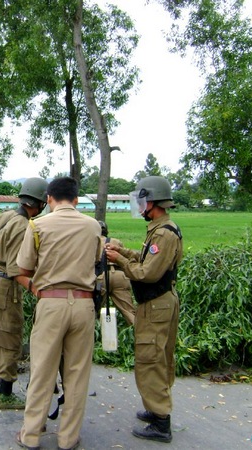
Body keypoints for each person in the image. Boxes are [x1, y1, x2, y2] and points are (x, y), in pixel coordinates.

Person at [15, 177, 101, 450]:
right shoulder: (93, 226)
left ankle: (30, 436)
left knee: (42, 370)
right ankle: (68, 439)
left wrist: (39, 286)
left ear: (49, 198)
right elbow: (97, 263)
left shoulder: (37, 225)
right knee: (77, 374)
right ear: (76, 200)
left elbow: (23, 269)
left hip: (50, 303)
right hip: (84, 305)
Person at [105, 176, 183, 444]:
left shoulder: (163, 233)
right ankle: (155, 408)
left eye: (142, 202)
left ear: (153, 202)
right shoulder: (161, 229)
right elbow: (146, 258)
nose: (139, 208)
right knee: (159, 356)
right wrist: (123, 251)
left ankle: (161, 421)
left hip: (156, 303)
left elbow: (146, 273)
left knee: (150, 358)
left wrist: (119, 261)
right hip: (160, 301)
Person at [0, 177, 48, 410]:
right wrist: (36, 288)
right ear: (39, 203)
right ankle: (5, 394)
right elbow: (17, 269)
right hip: (7, 286)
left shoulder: (5, 216)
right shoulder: (24, 226)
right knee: (9, 336)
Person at [97, 220, 135, 326]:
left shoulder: (93, 242)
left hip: (101, 277)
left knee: (94, 309)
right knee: (129, 311)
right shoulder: (116, 241)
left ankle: (95, 332)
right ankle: (138, 330)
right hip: (120, 276)